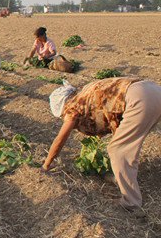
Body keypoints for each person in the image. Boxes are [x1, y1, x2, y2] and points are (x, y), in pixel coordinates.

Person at [43, 77, 161, 210]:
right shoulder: (86, 94)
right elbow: (115, 113)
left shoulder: (72, 108)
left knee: (117, 150)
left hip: (139, 99)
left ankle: (131, 202)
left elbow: (60, 140)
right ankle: (122, 178)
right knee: (125, 144)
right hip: (153, 89)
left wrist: (46, 165)